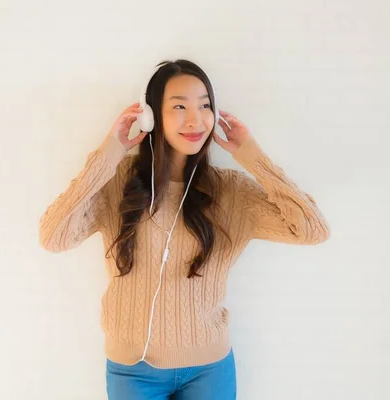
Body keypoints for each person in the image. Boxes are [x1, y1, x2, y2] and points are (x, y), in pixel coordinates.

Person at [38, 59, 330, 400]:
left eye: (205, 105)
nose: (196, 119)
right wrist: (111, 152)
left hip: (209, 368)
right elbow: (53, 237)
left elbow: (312, 230)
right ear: (152, 115)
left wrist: (250, 155)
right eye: (179, 106)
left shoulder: (231, 191)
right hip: (132, 371)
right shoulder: (119, 184)